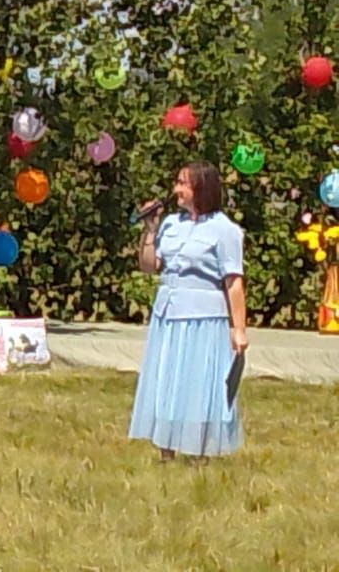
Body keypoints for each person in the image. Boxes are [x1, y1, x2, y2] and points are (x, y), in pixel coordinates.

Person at [128, 161, 247, 460]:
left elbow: (233, 282)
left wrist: (239, 328)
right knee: (167, 380)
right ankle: (165, 452)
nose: (176, 190)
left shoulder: (225, 230)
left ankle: (199, 452)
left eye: (183, 184)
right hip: (167, 315)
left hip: (204, 317)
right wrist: (150, 230)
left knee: (198, 384)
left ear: (201, 189)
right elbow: (149, 266)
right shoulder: (171, 224)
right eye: (177, 182)